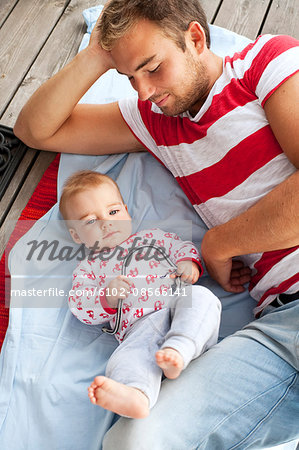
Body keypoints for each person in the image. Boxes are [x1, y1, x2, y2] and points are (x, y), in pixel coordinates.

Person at [14, 0, 299, 447]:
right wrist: (97, 56)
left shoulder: (265, 62)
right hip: (278, 327)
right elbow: (35, 130)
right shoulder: (156, 120)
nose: (143, 91)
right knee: (132, 441)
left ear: (196, 38)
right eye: (129, 77)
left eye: (152, 67)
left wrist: (218, 245)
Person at [59, 169, 221, 419]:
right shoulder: (88, 268)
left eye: (113, 212)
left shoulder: (153, 238)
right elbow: (80, 304)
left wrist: (189, 263)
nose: (106, 223)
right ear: (76, 235)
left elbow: (181, 247)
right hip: (138, 328)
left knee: (203, 299)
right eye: (90, 221)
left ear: (126, 211)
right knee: (126, 359)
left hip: (178, 305)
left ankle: (180, 349)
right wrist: (107, 297)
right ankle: (136, 395)